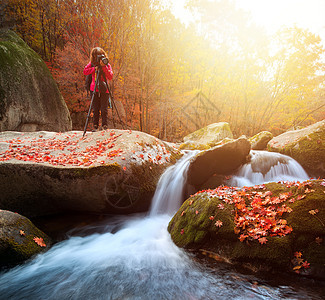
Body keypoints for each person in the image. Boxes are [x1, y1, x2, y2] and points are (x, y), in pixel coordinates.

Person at [83, 47, 113, 131]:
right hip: (94, 88)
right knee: (95, 109)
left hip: (104, 89)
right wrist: (94, 69)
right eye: (97, 56)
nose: (99, 58)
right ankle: (95, 126)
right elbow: (85, 71)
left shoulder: (106, 64)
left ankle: (104, 126)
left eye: (101, 55)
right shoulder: (92, 63)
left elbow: (110, 76)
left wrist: (104, 67)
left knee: (104, 109)